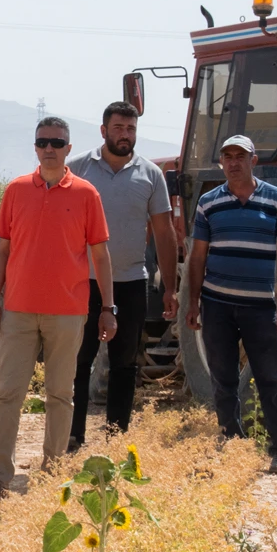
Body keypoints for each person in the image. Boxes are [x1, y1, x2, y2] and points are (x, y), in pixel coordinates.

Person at [0, 117, 115, 503]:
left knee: (60, 394)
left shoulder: (87, 194)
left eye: (57, 141)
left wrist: (108, 307)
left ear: (69, 148)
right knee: (9, 394)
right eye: (43, 142)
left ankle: (53, 473)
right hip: (18, 310)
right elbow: (2, 251)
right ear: (35, 147)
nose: (49, 148)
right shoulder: (17, 190)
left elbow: (100, 256)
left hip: (68, 312)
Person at [66, 101, 177, 450]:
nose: (125, 135)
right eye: (118, 128)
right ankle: (73, 436)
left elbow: (163, 231)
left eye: (130, 129)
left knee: (125, 362)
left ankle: (117, 437)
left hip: (130, 281)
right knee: (79, 361)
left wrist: (171, 287)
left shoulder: (150, 174)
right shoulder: (77, 169)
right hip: (82, 282)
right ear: (103, 131)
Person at [185, 135, 277, 475]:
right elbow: (198, 255)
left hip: (260, 307)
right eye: (227, 156)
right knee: (223, 377)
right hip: (217, 305)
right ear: (221, 161)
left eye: (240, 156)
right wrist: (193, 301)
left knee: (270, 379)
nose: (233, 162)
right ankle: (232, 442)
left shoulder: (276, 200)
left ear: (253, 160)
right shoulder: (208, 202)